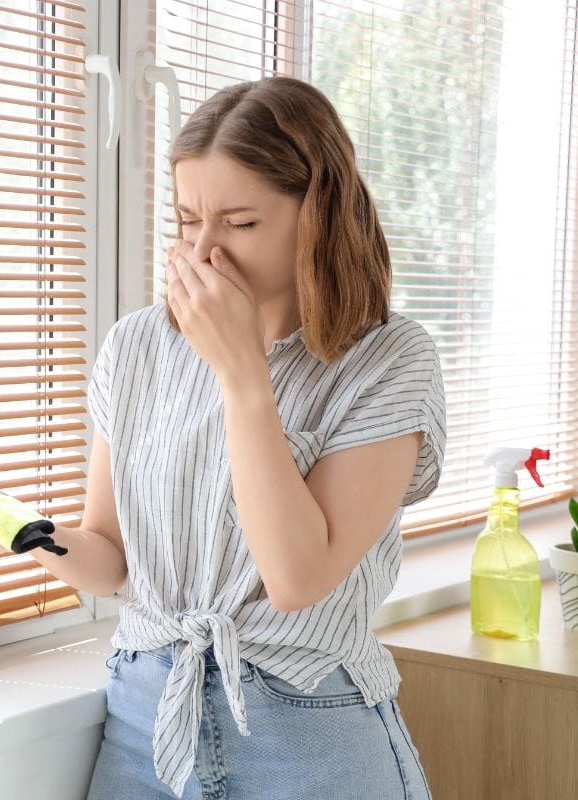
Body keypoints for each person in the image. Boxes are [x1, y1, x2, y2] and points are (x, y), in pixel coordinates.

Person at [80, 75, 446, 799]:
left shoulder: (388, 361)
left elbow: (297, 578)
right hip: (145, 728)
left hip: (310, 735)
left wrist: (242, 372)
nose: (206, 251)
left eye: (240, 223)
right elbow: (111, 556)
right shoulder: (137, 347)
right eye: (188, 221)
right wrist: (19, 536)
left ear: (319, 216)